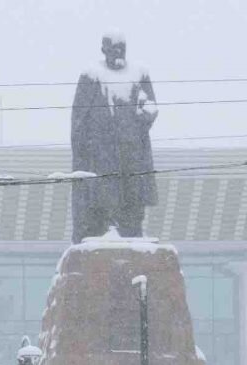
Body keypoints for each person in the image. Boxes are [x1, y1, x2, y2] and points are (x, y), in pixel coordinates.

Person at [70, 31, 158, 243]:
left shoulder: (139, 73)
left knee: (132, 199)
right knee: (103, 198)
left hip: (133, 151)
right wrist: (82, 151)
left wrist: (145, 112)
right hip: (102, 152)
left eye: (121, 48)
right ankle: (106, 230)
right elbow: (79, 118)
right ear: (104, 50)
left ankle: (131, 233)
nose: (118, 52)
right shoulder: (91, 75)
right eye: (113, 48)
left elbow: (151, 107)